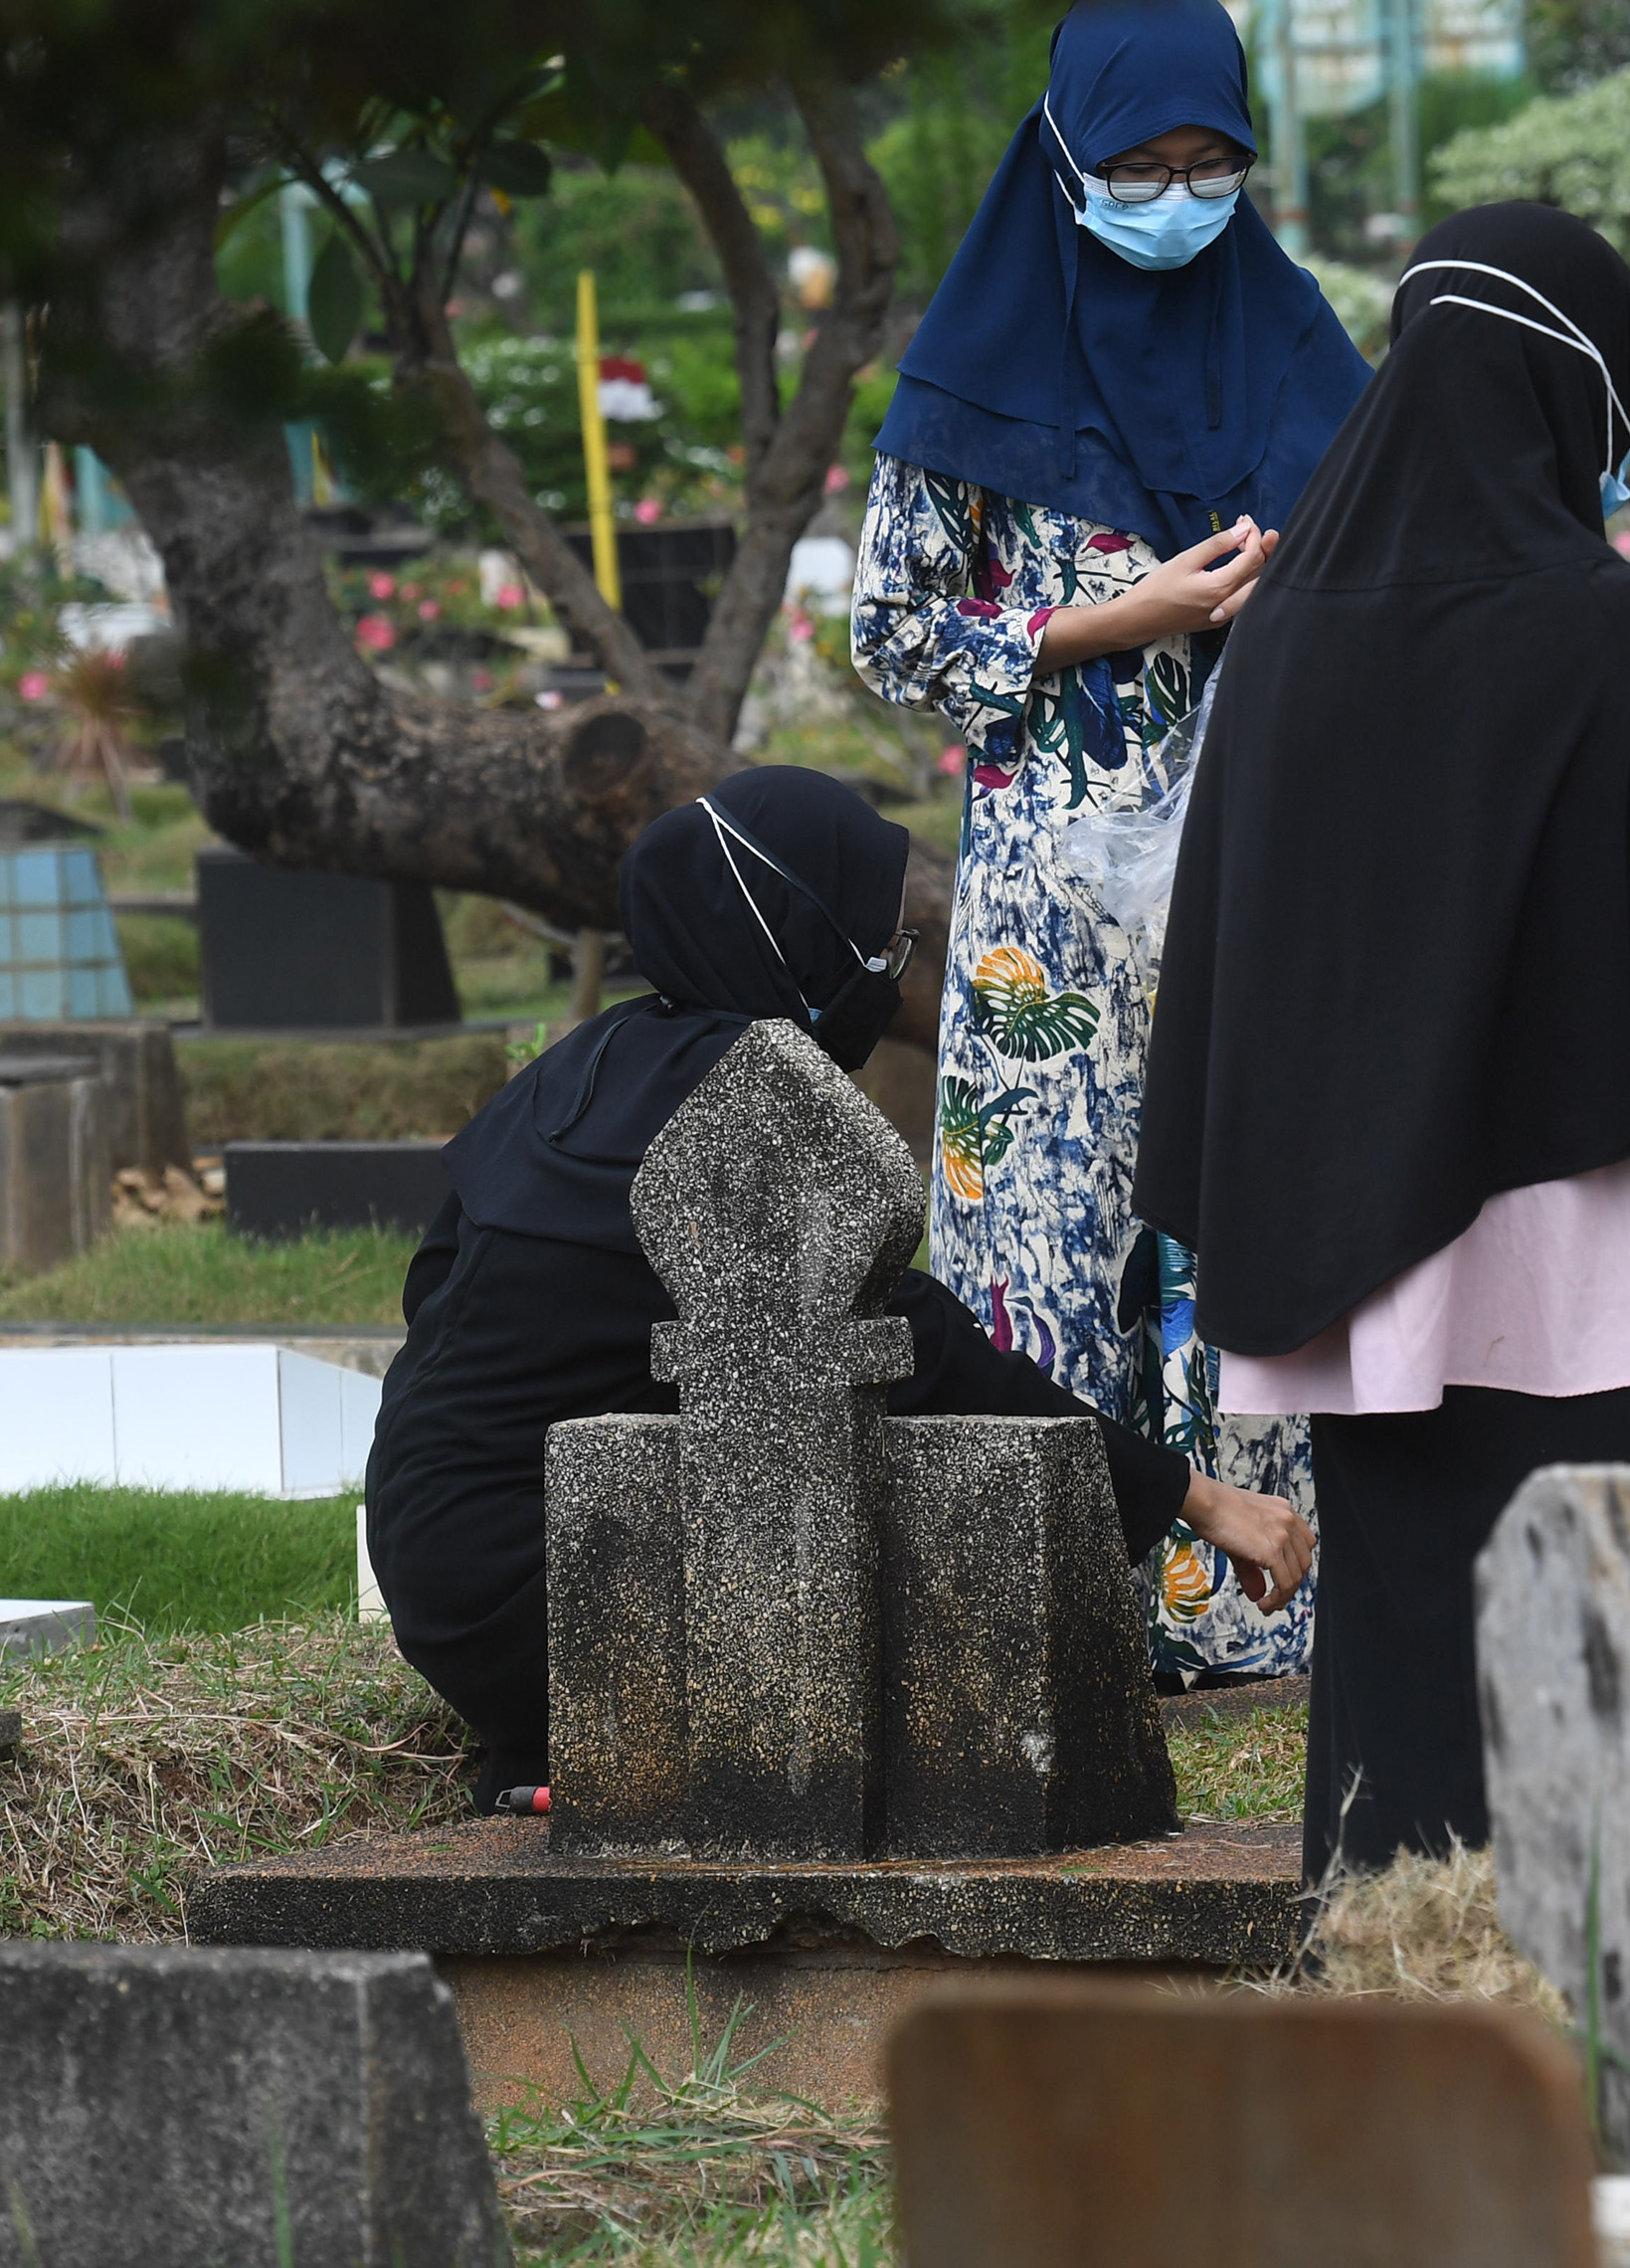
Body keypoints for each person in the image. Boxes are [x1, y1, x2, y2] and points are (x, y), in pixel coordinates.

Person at [1134, 203, 1630, 1878]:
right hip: (1629, 1256)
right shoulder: (1618, 631)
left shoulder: (1282, 635)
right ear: (1564, 407)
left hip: (1387, 1273)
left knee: (1417, 1677)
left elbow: (1231, 950)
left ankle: (1409, 1982)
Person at [364, 767, 1313, 1806]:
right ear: (796, 937)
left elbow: (436, 1287)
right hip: (561, 1591)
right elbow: (913, 1348)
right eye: (879, 946)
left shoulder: (588, 1061)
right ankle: (654, 1767)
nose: (888, 977)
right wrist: (1197, 1498)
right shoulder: (750, 1099)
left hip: (431, 1556)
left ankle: (561, 1760)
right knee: (911, 1513)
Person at [851, 0, 1371, 1683]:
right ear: (1066, 156)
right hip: (1050, 906)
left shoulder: (1294, 344)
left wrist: (1305, 601)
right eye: (1138, 163)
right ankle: (1047, 1605)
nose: (1176, 196)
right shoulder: (978, 371)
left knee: (1248, 1226)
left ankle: (1249, 1612)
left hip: (1260, 871)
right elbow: (891, 632)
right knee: (1042, 1238)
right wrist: (1109, 620)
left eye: (1212, 162)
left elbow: (1401, 578)